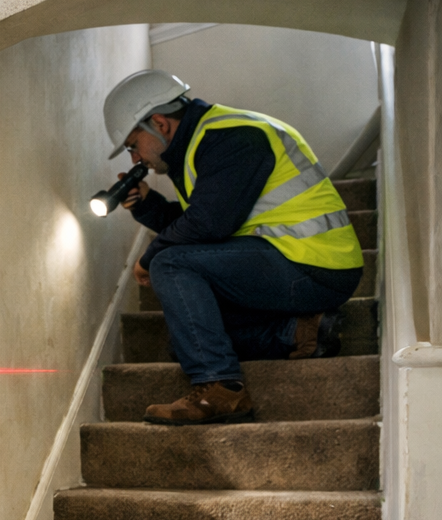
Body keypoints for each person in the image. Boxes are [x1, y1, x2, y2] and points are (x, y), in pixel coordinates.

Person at [103, 69, 365, 424]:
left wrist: (148, 259)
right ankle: (300, 332)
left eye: (134, 145)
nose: (136, 159)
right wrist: (149, 206)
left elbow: (209, 225)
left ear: (160, 124)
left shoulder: (233, 136)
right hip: (283, 260)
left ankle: (219, 390)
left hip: (313, 263)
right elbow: (205, 230)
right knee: (188, 339)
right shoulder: (202, 145)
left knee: (170, 265)